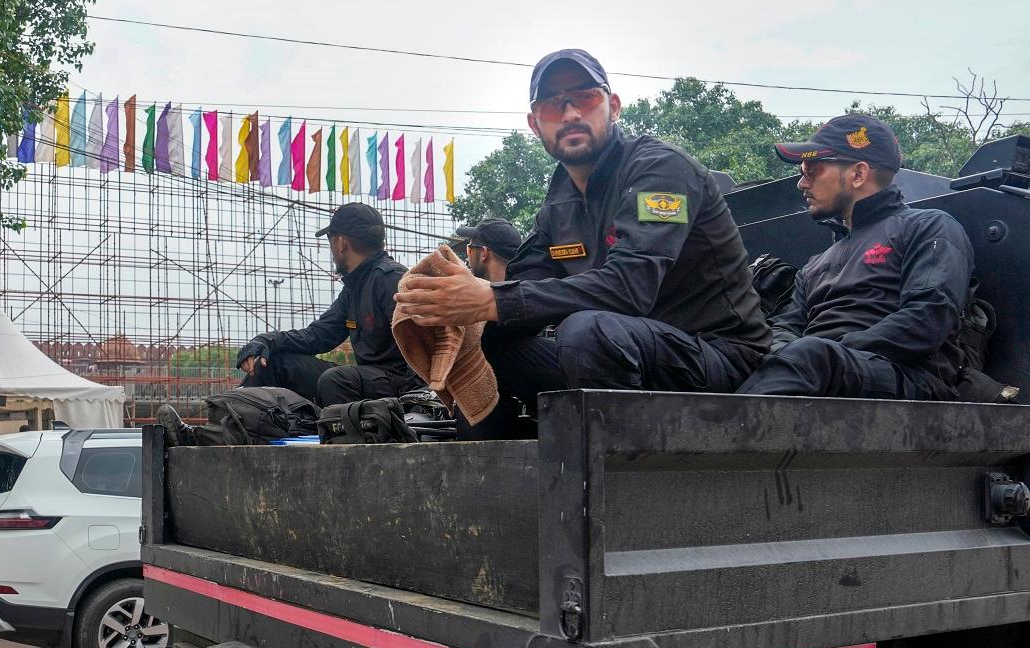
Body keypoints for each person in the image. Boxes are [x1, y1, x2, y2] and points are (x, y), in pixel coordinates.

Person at [394, 48, 771, 438]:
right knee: (481, 335)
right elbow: (524, 289)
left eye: (585, 97)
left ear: (614, 106)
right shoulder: (559, 201)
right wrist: (446, 306)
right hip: (623, 358)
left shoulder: (660, 169)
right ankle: (494, 478)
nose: (571, 113)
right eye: (554, 105)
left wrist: (491, 299)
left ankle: (620, 482)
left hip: (719, 359)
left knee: (586, 332)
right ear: (535, 124)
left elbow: (630, 288)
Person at [738, 115, 974, 399]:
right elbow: (787, 326)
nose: (802, 183)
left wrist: (832, 349)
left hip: (912, 379)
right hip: (817, 368)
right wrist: (775, 353)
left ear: (859, 174)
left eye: (812, 170)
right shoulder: (815, 264)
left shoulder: (928, 227)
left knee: (811, 355)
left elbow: (929, 317)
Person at [236, 203, 422, 407]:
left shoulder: (390, 279)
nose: (332, 250)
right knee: (275, 363)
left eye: (331, 240)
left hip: (401, 385)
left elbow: (423, 347)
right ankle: (240, 427)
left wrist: (414, 405)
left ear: (341, 242)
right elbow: (316, 336)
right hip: (368, 381)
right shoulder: (354, 288)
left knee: (336, 380)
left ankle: (345, 437)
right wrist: (266, 341)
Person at [456, 219, 523, 284]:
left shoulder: (467, 293)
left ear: (484, 253)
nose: (468, 258)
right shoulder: (526, 291)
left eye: (470, 251)